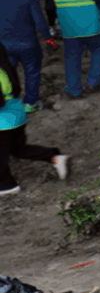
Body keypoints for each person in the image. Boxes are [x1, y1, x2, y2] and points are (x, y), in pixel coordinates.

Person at [0, 43, 68, 197]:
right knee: (18, 149)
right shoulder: (5, 68)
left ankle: (6, 185)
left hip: (3, 123)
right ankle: (53, 157)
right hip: (17, 115)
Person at [0, 0, 55, 111]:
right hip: (27, 44)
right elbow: (40, 21)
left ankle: (9, 103)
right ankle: (30, 103)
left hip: (3, 45)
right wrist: (48, 39)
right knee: (32, 72)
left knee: (7, 73)